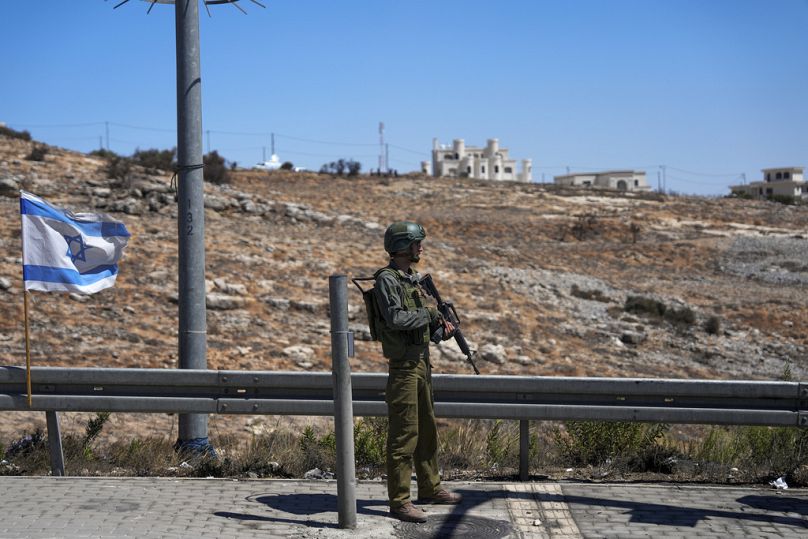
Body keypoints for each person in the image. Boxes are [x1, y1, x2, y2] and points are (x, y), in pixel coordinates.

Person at [372, 221, 462, 523]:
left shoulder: (413, 279)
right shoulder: (387, 279)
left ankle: (430, 487)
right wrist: (430, 313)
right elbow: (395, 318)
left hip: (422, 363)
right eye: (416, 244)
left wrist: (441, 328)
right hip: (404, 368)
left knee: (426, 430)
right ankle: (399, 502)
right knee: (404, 435)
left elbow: (421, 325)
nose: (420, 248)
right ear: (402, 246)